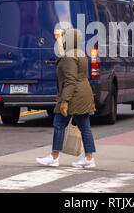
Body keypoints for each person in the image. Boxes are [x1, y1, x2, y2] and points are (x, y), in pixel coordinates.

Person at [36, 29, 97, 168]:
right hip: (83, 94)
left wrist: (64, 101)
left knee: (59, 124)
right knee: (85, 127)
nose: (62, 41)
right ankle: (89, 158)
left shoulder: (70, 56)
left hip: (74, 95)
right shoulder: (79, 53)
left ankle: (54, 157)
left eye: (65, 38)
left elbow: (70, 80)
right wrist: (58, 37)